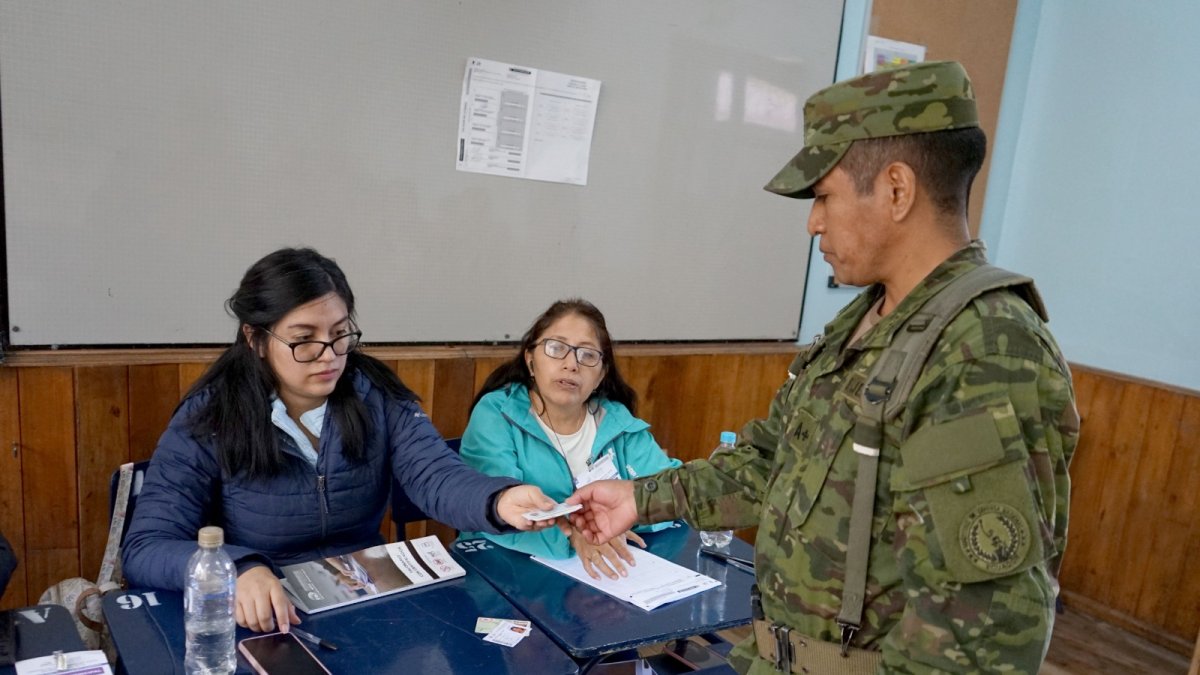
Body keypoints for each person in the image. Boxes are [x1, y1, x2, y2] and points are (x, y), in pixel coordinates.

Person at [568, 61, 1078, 674]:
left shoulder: (984, 350)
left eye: (825, 197)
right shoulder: (862, 326)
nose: (814, 222)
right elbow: (770, 462)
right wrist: (639, 497)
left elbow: (980, 635)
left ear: (896, 190)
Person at [122, 247, 558, 634]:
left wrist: (499, 500)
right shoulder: (210, 416)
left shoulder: (377, 394)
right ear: (255, 339)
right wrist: (238, 568)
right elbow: (146, 546)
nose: (329, 355)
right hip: (261, 615)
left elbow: (435, 475)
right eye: (303, 340)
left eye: (340, 333)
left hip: (367, 605)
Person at [458, 299, 680, 580]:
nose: (571, 364)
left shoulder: (616, 421)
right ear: (530, 359)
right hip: (501, 573)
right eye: (556, 348)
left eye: (587, 356)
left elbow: (670, 492)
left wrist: (611, 523)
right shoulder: (496, 414)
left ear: (601, 375)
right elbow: (496, 507)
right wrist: (575, 535)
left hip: (599, 578)